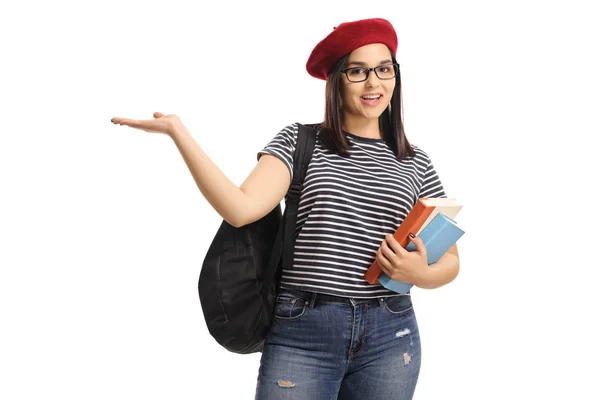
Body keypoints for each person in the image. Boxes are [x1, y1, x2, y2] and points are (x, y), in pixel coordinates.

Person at [111, 17, 460, 400]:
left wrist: (420, 273)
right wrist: (179, 134)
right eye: (357, 71)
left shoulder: (415, 161)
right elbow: (240, 208)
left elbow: (451, 261)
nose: (374, 83)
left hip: (391, 332)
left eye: (383, 69)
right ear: (336, 80)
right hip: (304, 328)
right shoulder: (300, 141)